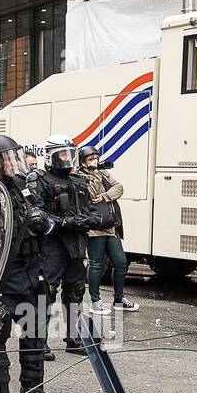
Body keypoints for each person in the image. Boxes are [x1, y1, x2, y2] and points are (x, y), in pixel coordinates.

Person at [0, 134, 60, 393]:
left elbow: (44, 216)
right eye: (7, 158)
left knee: (35, 331)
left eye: (14, 157)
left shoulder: (21, 186)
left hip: (31, 271)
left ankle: (32, 389)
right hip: (1, 275)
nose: (13, 163)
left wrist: (43, 221)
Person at [33, 134, 93, 355]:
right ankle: (40, 342)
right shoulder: (40, 180)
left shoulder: (79, 181)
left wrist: (91, 219)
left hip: (76, 241)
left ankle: (73, 338)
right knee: (46, 291)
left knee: (76, 290)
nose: (66, 159)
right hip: (53, 243)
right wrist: (61, 222)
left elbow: (91, 209)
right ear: (50, 156)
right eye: (62, 154)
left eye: (70, 154)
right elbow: (36, 212)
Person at [78, 144, 138, 316]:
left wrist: (105, 195)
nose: (94, 161)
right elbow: (91, 194)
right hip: (94, 228)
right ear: (83, 161)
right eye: (90, 159)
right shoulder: (80, 177)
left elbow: (119, 187)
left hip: (111, 227)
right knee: (96, 265)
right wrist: (98, 182)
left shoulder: (103, 172)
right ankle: (95, 302)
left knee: (121, 263)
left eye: (95, 157)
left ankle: (119, 300)